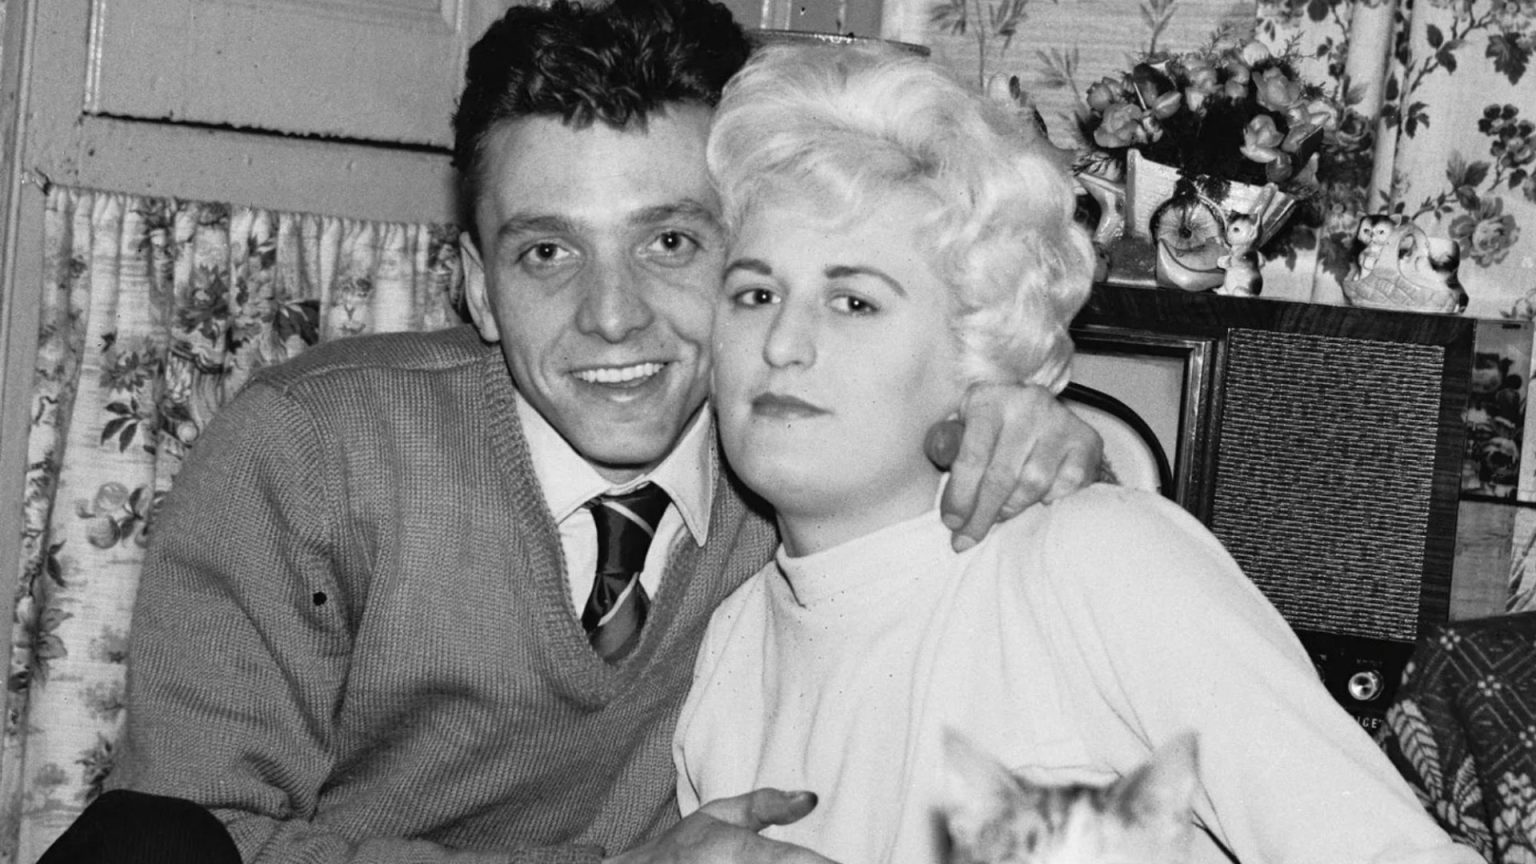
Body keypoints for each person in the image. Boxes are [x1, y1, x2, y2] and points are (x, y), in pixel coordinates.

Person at [42, 2, 1103, 863]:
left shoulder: (806, 457)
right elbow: (197, 834)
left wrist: (1015, 425)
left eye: (671, 241)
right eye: (547, 253)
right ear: (478, 287)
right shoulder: (312, 453)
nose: (611, 317)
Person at [671, 40, 1482, 864]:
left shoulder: (1093, 559)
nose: (782, 343)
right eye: (755, 293)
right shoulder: (732, 647)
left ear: (979, 351)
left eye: (853, 302)